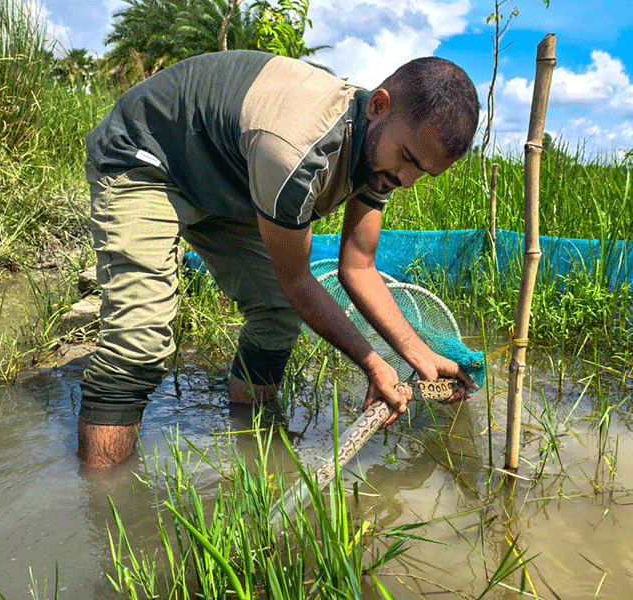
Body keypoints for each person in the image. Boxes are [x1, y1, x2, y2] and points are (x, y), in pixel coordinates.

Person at [78, 50, 481, 468]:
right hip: (149, 156)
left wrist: (419, 354)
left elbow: (358, 267)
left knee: (276, 312)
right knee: (139, 341)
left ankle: (255, 453)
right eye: (409, 160)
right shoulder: (297, 151)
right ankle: (103, 502)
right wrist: (374, 364)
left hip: (228, 180)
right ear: (378, 106)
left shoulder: (381, 153)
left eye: (424, 173)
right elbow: (299, 283)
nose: (406, 180)